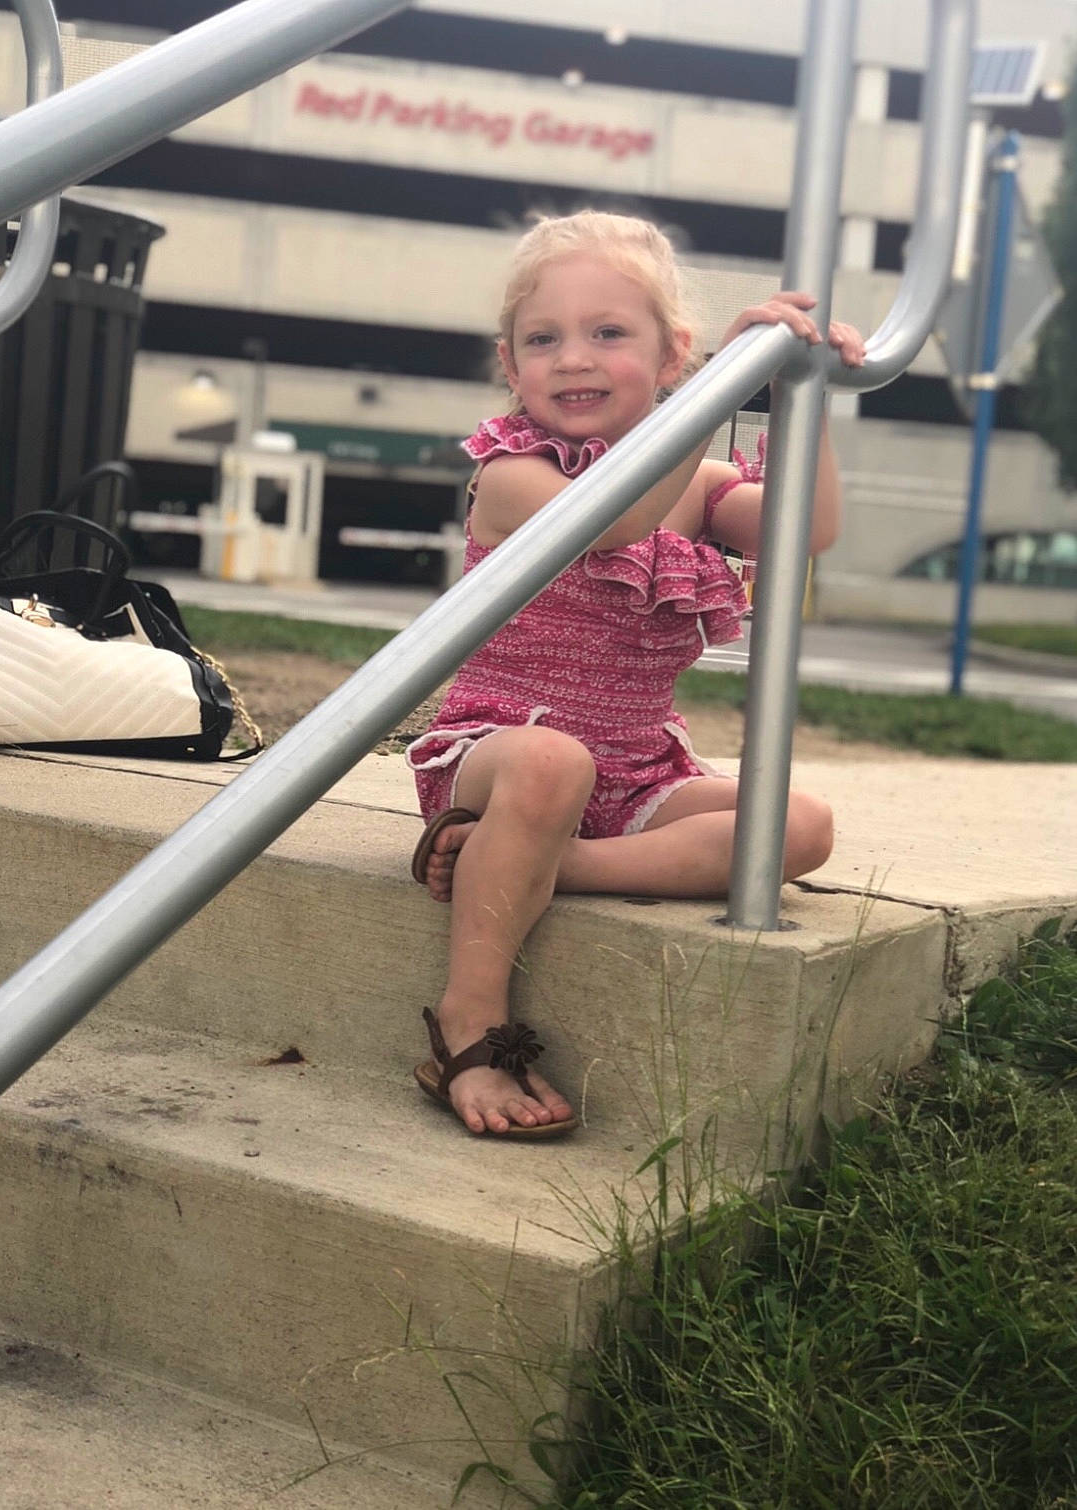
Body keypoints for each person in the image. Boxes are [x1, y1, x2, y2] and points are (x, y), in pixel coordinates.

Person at [405, 210, 865, 1141]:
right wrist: (707, 401)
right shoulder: (513, 475)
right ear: (509, 365)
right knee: (553, 763)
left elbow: (806, 530)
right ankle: (469, 1019)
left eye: (608, 332)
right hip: (500, 755)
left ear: (669, 355)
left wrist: (799, 392)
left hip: (635, 769)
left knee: (799, 824)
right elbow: (612, 521)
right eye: (544, 339)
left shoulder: (699, 484)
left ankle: (554, 864)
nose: (573, 357)